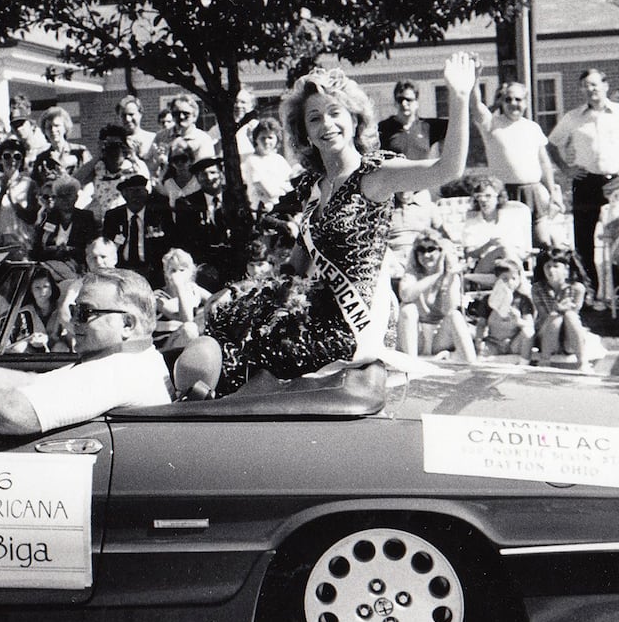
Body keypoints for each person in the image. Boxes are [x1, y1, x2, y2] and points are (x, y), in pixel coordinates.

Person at [206, 54, 478, 387]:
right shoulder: (311, 186)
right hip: (317, 311)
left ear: (354, 119)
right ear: (304, 131)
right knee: (226, 326)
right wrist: (248, 297)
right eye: (315, 118)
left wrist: (460, 98)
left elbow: (447, 169)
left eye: (336, 113)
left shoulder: (374, 176)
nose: (327, 125)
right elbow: (295, 267)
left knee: (257, 356)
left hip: (354, 326)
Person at [0, 268, 172, 436]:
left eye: (84, 313)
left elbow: (14, 412)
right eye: (73, 312)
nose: (72, 322)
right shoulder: (133, 358)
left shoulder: (119, 371)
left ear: (127, 324)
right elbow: (31, 382)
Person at [548, 68, 619, 279]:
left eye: (594, 84)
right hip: (585, 182)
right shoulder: (573, 117)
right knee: (584, 240)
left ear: (605, 86)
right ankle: (589, 290)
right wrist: (567, 169)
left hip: (618, 181)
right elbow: (551, 144)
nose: (590, 90)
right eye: (585, 86)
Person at [470, 81, 561, 248]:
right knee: (510, 242)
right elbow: (476, 106)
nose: (513, 104)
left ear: (525, 102)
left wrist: (553, 191)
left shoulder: (532, 127)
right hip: (504, 193)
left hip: (533, 192)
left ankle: (542, 274)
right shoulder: (491, 124)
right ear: (502, 102)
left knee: (543, 242)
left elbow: (544, 162)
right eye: (508, 99)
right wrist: (475, 80)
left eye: (518, 99)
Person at [395, 232, 476, 363]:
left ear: (441, 251)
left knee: (455, 315)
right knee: (407, 309)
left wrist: (448, 278)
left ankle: (446, 358)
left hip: (439, 336)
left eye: (431, 249)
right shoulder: (412, 273)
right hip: (416, 335)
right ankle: (411, 362)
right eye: (421, 250)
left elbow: (447, 310)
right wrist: (436, 275)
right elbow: (406, 295)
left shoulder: (451, 275)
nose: (426, 255)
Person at [173, 157, 248, 284]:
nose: (209, 178)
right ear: (197, 178)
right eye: (203, 174)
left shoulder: (236, 198)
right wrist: (202, 266)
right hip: (206, 266)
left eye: (213, 172)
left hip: (238, 261)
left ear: (221, 174)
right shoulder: (187, 204)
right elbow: (184, 240)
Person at [529, 247, 604, 371]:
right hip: (547, 337)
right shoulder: (537, 288)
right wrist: (557, 308)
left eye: (556, 266)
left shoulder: (577, 288)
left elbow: (574, 313)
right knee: (555, 316)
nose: (551, 270)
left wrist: (561, 310)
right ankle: (545, 361)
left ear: (566, 269)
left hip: (569, 339)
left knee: (569, 315)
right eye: (547, 266)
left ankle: (582, 363)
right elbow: (543, 315)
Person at [101, 174, 171, 284]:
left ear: (147, 193)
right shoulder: (113, 216)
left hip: (151, 270)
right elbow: (107, 246)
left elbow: (168, 243)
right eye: (131, 191)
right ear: (124, 195)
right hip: (122, 270)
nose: (136, 196)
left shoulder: (159, 215)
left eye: (139, 191)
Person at [75, 123, 150, 218]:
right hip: (104, 219)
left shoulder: (134, 167)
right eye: (109, 146)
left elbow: (146, 188)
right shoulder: (99, 167)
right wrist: (97, 156)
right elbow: (74, 182)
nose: (113, 151)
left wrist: (132, 154)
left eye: (117, 145)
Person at [475, 259, 535, 364]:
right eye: (505, 279)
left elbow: (530, 324)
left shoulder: (522, 300)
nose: (510, 283)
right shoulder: (488, 300)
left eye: (514, 278)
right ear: (497, 279)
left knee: (528, 332)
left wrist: (518, 321)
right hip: (494, 342)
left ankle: (524, 363)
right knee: (478, 355)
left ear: (519, 280)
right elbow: (481, 324)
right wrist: (479, 341)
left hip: (514, 343)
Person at [241, 117, 295, 210]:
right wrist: (283, 188)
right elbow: (269, 192)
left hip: (282, 206)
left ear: (277, 139)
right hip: (264, 210)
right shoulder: (252, 161)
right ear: (256, 139)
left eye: (270, 137)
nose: (266, 142)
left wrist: (283, 189)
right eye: (262, 138)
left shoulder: (279, 159)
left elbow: (292, 184)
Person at [378, 81, 434, 158]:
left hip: (421, 170)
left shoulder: (428, 127)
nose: (404, 104)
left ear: (416, 103)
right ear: (395, 103)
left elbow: (455, 126)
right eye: (400, 100)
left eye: (408, 100)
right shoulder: (382, 128)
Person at [116, 96, 160, 170]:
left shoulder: (152, 138)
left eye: (131, 114)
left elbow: (157, 169)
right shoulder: (116, 141)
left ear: (140, 114)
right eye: (123, 115)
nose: (127, 119)